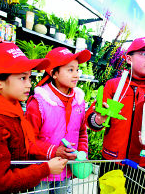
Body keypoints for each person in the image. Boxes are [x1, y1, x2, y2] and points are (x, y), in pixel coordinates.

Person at [0, 43, 68, 194]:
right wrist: (46, 169)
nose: (29, 84)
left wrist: (54, 151)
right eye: (22, 78)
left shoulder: (11, 107)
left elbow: (25, 144)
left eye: (29, 77)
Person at [85, 37, 145, 193]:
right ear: (128, 58)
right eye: (144, 54)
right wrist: (98, 119)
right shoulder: (113, 86)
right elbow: (92, 116)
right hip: (112, 160)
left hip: (142, 165)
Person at [25, 47, 91, 193]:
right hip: (41, 172)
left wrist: (81, 155)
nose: (76, 75)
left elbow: (82, 132)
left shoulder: (79, 101)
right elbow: (28, 140)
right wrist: (55, 151)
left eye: (77, 69)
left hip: (65, 171)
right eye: (70, 70)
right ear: (54, 73)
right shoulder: (39, 103)